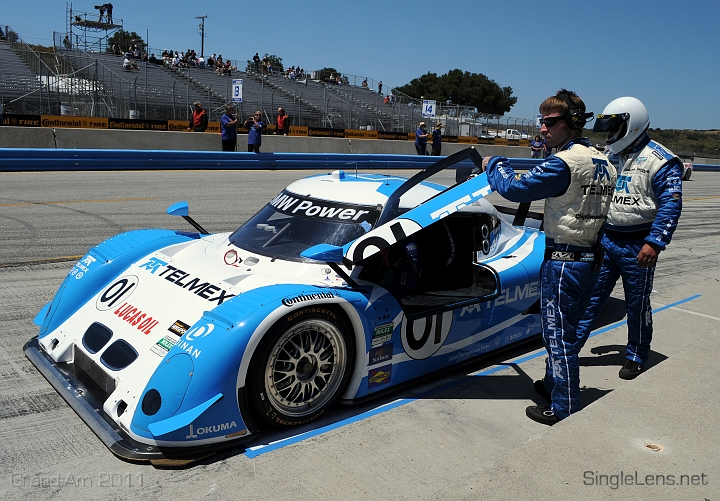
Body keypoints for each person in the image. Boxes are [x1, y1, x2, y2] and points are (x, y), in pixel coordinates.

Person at [481, 89, 616, 426]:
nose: (542, 128)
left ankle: (564, 405)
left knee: (558, 336)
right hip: (590, 257)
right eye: (541, 121)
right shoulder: (604, 160)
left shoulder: (564, 163)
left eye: (550, 122)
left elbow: (513, 189)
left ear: (571, 122)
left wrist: (494, 164)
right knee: (566, 330)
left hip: (564, 261)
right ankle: (553, 385)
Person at [575, 97, 683, 380]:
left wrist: (655, 243)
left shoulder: (661, 160)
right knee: (592, 298)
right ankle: (571, 348)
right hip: (608, 241)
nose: (610, 135)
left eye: (615, 127)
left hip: (639, 244)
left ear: (631, 124)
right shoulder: (611, 156)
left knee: (637, 304)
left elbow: (672, 205)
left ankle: (636, 354)